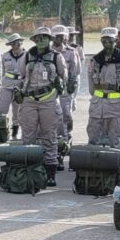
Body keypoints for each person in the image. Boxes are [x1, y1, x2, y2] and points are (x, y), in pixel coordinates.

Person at [14, 27, 67, 186]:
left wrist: (60, 86)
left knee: (49, 136)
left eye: (45, 37)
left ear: (49, 40)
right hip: (29, 99)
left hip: (48, 99)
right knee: (28, 136)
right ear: (35, 40)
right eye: (39, 37)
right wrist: (19, 91)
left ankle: (51, 173)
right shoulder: (27, 56)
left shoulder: (57, 57)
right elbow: (21, 76)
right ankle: (28, 171)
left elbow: (64, 77)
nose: (41, 40)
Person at [87, 27, 120, 148]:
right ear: (101, 40)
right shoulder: (95, 60)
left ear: (116, 40)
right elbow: (91, 83)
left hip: (115, 106)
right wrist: (96, 96)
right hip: (97, 104)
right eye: (104, 39)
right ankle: (92, 163)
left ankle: (116, 162)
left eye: (110, 39)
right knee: (93, 135)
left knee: (115, 138)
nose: (107, 41)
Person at [51, 25, 80, 153]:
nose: (59, 38)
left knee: (66, 115)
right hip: (51, 90)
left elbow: (75, 71)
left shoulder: (71, 52)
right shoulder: (48, 52)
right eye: (57, 36)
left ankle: (67, 136)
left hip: (64, 90)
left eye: (61, 36)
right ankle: (60, 141)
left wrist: (71, 86)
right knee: (55, 117)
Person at [0, 34, 27, 140]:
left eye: (17, 42)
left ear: (20, 42)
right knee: (2, 108)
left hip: (20, 84)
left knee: (18, 110)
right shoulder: (5, 56)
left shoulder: (27, 56)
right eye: (12, 43)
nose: (15, 45)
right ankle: (1, 131)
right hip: (7, 84)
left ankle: (15, 132)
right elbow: (2, 72)